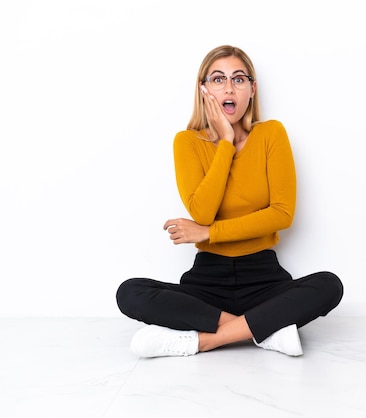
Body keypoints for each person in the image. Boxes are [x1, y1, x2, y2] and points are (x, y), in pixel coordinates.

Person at [116, 45, 344, 358]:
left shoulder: (271, 134)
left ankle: (203, 340)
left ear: (252, 89)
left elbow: (282, 214)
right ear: (204, 89)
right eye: (218, 79)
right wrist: (225, 142)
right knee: (130, 292)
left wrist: (208, 233)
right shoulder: (188, 142)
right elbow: (202, 211)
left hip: (264, 279)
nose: (228, 87)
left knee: (329, 285)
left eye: (238, 79)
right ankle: (264, 330)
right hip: (206, 285)